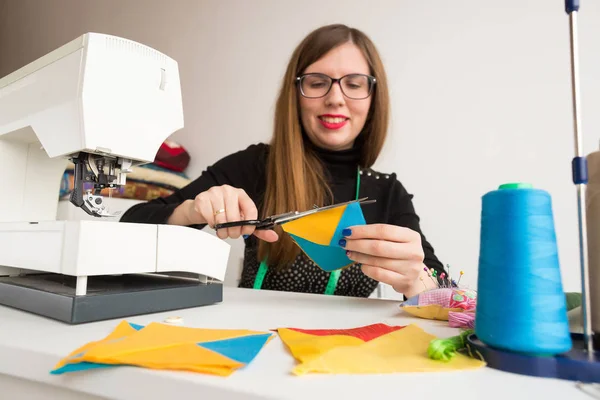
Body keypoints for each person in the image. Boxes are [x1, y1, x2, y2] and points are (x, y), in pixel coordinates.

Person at [120, 24, 446, 298]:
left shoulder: (387, 193)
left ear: (374, 98)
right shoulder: (254, 166)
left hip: (344, 362)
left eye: (354, 84)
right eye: (317, 83)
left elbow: (449, 298)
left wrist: (418, 280)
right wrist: (191, 211)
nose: (335, 97)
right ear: (296, 94)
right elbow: (130, 225)